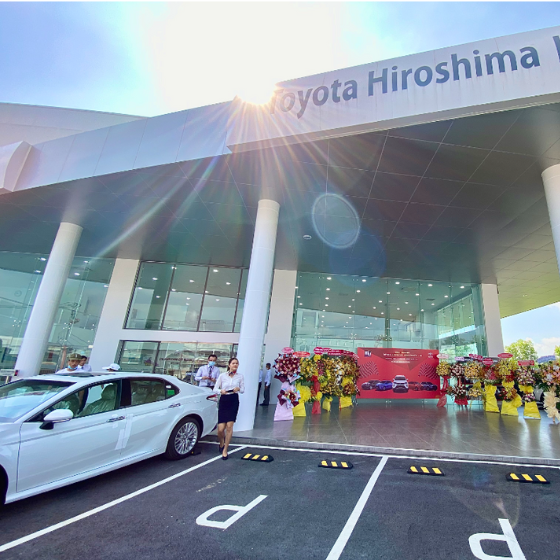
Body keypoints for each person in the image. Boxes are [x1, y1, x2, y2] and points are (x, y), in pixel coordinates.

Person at [214, 357, 244, 460]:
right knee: (220, 429)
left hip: (233, 399)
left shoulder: (240, 376)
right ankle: (221, 442)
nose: (235, 365)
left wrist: (238, 388)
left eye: (237, 363)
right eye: (233, 363)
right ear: (229, 365)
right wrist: (220, 391)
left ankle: (225, 450)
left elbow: (243, 389)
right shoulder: (222, 376)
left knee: (229, 426)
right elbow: (215, 388)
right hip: (224, 399)